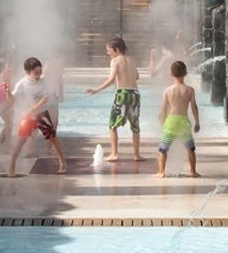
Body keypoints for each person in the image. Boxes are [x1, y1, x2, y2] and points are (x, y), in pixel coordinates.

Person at [86, 36, 143, 165]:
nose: (108, 53)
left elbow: (111, 79)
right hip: (135, 94)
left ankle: (114, 153)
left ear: (116, 49)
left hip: (122, 94)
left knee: (112, 125)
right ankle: (136, 154)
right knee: (135, 126)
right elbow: (137, 76)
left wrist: (96, 89)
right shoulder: (132, 60)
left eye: (109, 50)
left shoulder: (116, 61)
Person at [6, 57, 66, 178]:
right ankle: (12, 165)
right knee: (20, 141)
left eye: (40, 71)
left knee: (53, 138)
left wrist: (33, 109)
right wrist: (7, 92)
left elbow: (46, 98)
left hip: (42, 114)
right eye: (36, 73)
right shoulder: (21, 84)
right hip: (28, 117)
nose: (39, 75)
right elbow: (12, 101)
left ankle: (62, 162)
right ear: (27, 72)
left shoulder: (43, 81)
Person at [157, 59, 202, 178]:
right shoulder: (189, 90)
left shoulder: (167, 90)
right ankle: (193, 171)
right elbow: (194, 107)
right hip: (184, 122)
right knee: (190, 148)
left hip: (171, 121)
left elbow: (163, 109)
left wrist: (161, 121)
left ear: (170, 74)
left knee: (163, 149)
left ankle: (161, 172)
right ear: (185, 74)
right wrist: (197, 122)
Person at [0, 67, 16, 149]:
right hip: (2, 104)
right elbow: (5, 89)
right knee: (8, 124)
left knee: (8, 124)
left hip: (5, 103)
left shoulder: (5, 73)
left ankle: (0, 145)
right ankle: (7, 145)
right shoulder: (5, 74)